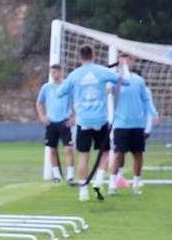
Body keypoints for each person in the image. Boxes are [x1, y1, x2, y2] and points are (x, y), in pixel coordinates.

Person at [56, 44, 129, 201]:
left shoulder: (75, 75)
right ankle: (98, 180)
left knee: (83, 156)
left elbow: (59, 93)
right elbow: (125, 82)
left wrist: (72, 87)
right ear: (93, 54)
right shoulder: (102, 71)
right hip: (100, 121)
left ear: (79, 57)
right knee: (105, 152)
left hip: (83, 122)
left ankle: (83, 191)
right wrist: (122, 67)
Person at [108, 54, 159, 196]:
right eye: (122, 60)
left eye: (127, 60)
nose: (125, 62)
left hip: (137, 124)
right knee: (118, 154)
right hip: (120, 124)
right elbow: (107, 90)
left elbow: (146, 99)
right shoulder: (114, 80)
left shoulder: (139, 81)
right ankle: (112, 184)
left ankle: (136, 184)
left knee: (138, 155)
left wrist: (154, 114)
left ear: (132, 62)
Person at [36, 64, 75, 183]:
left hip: (64, 122)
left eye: (55, 72)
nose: (53, 75)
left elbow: (76, 102)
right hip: (51, 123)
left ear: (61, 72)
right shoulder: (46, 87)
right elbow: (39, 102)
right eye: (52, 73)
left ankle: (70, 175)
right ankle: (56, 175)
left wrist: (74, 118)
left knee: (68, 149)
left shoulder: (67, 86)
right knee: (52, 150)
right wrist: (42, 116)